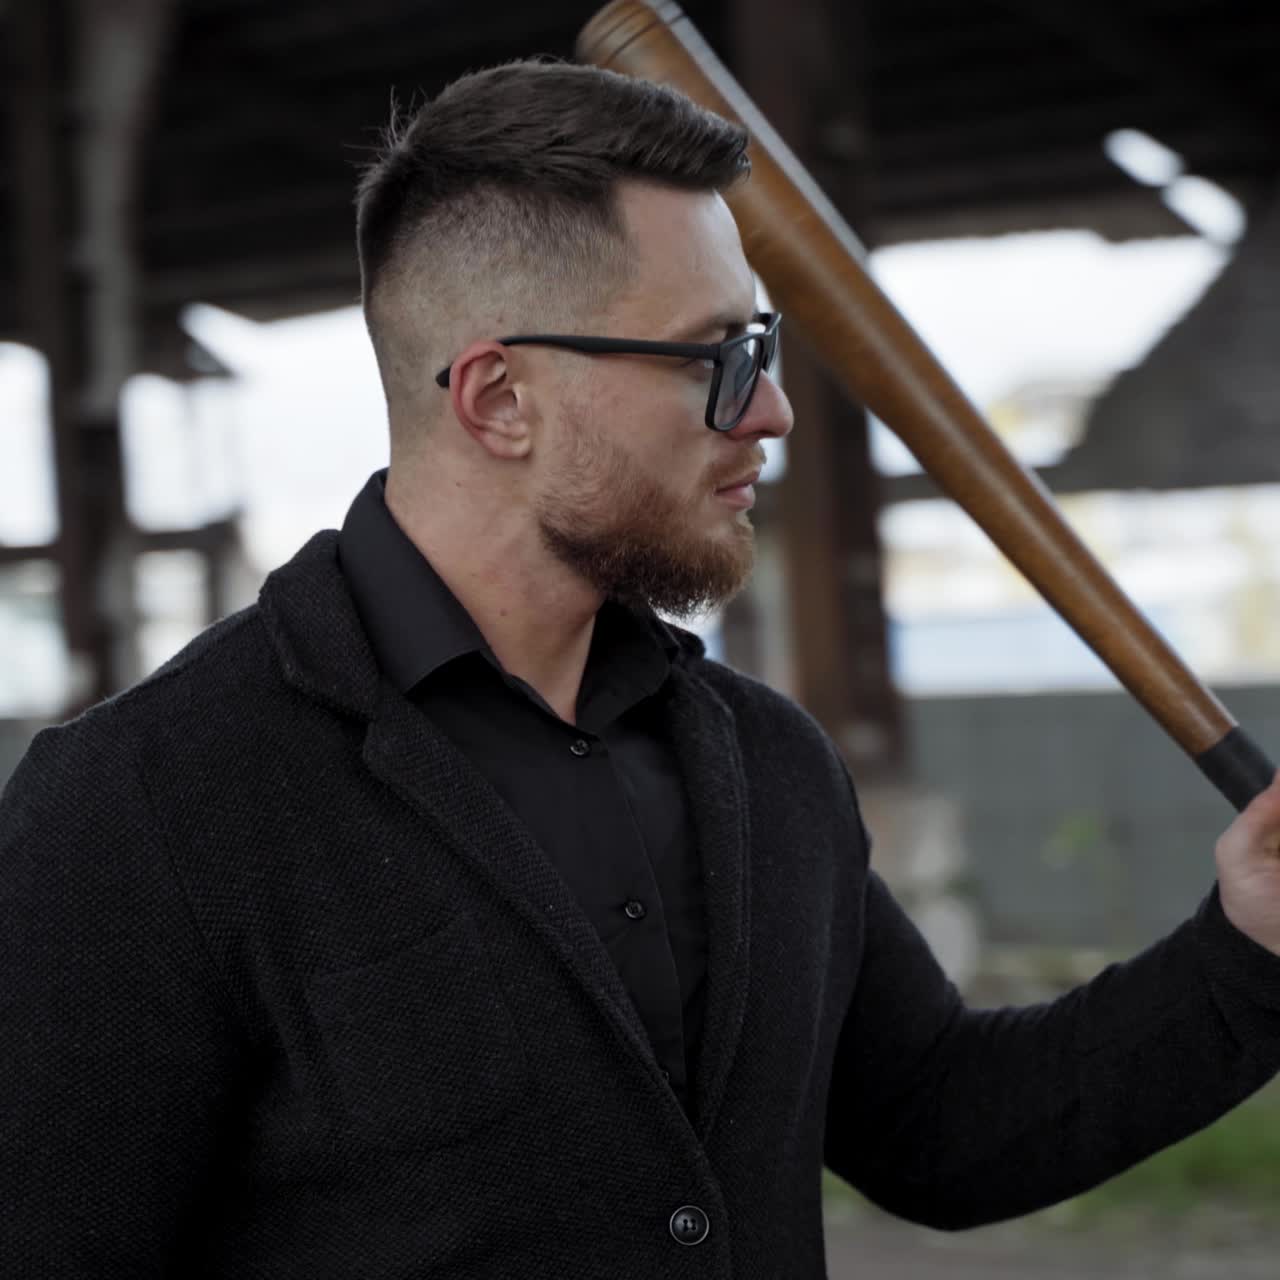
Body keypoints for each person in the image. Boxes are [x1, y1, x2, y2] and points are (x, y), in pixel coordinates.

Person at [3, 57, 1280, 1280]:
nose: (770, 410)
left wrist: (1249, 941)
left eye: (759, 348)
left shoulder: (767, 761)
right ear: (498, 399)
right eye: (714, 358)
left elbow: (941, 1121)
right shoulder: (146, 805)